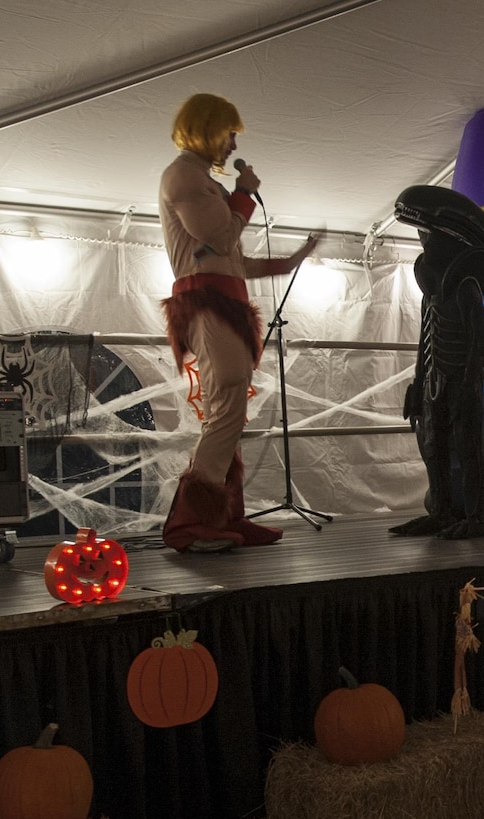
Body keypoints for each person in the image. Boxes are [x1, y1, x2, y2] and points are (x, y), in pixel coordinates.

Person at [158, 92, 322, 553]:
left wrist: (289, 262)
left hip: (218, 300)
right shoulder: (185, 176)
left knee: (226, 411)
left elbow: (230, 257)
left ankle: (226, 514)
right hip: (209, 303)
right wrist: (244, 193)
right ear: (210, 128)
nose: (232, 145)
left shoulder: (194, 179)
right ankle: (191, 525)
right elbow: (220, 236)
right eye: (230, 134)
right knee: (227, 402)